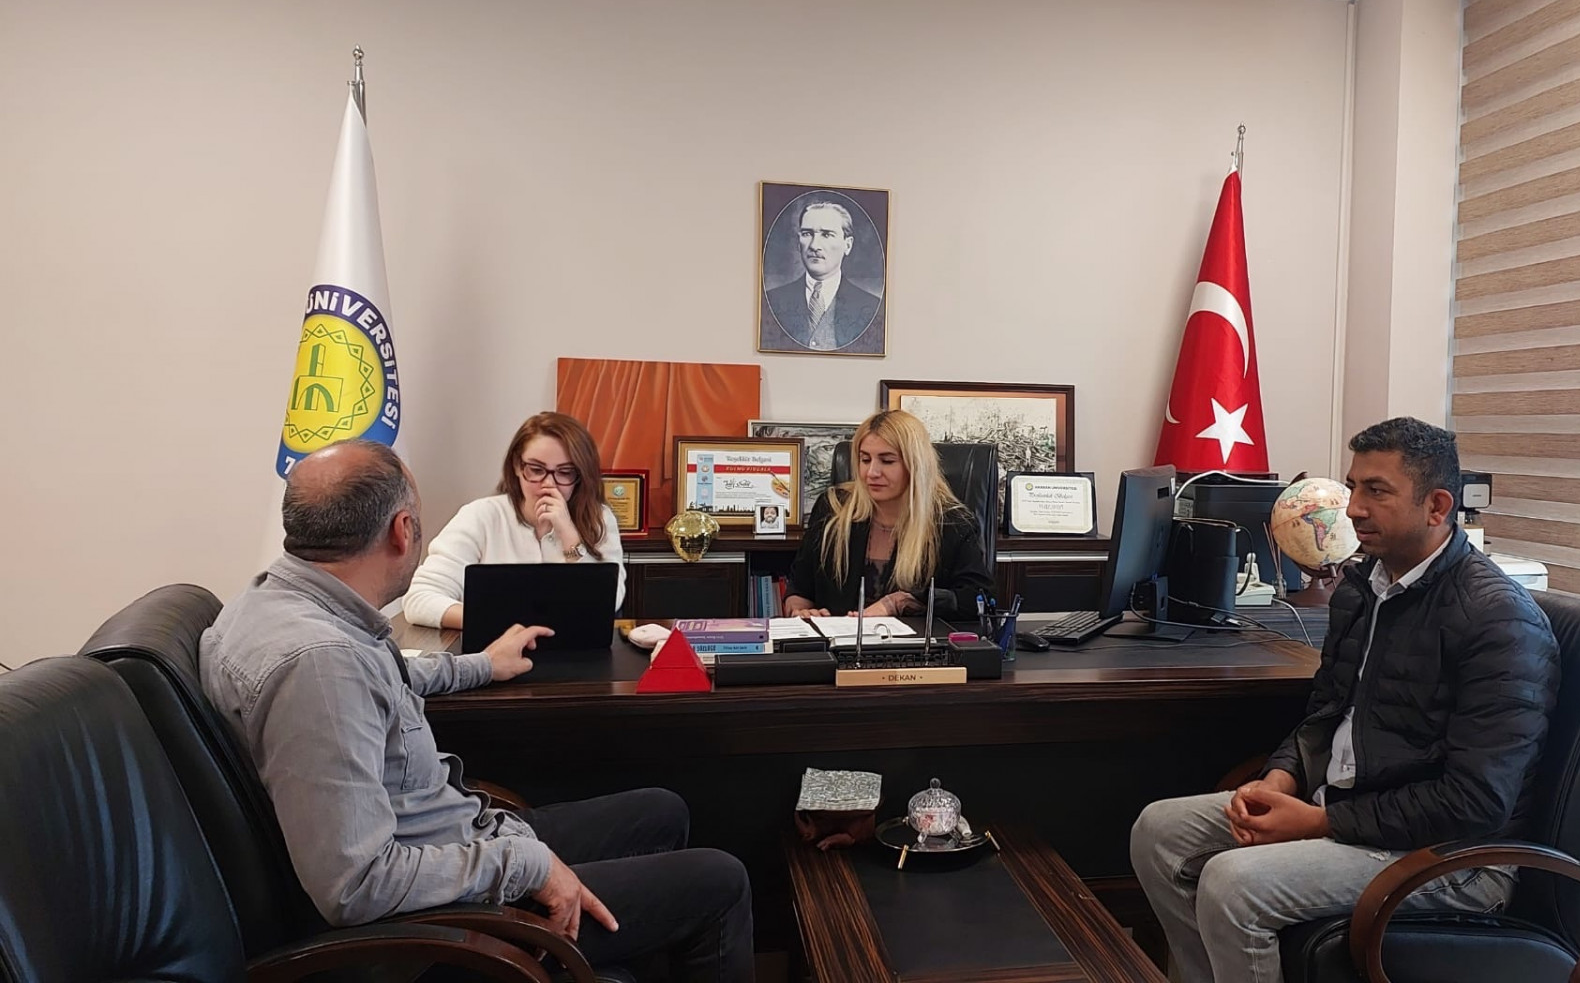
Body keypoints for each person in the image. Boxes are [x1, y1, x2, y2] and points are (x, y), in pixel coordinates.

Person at [201, 439, 753, 979]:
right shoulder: (319, 666)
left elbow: (383, 680)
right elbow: (357, 886)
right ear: (402, 530)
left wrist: (482, 665)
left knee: (660, 811)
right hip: (436, 926)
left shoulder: (278, 605)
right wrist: (527, 864)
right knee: (718, 879)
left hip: (451, 840)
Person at [1129, 417, 1560, 983]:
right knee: (1159, 831)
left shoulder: (1497, 619)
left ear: (1436, 507)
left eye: (1376, 491)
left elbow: (1476, 801)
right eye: (1354, 486)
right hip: (1352, 807)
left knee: (1234, 884)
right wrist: (1281, 778)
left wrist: (1321, 821)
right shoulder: (1362, 589)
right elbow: (1326, 713)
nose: (1353, 508)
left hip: (1451, 855)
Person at [403, 411, 624, 630]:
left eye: (565, 472)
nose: (548, 484)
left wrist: (569, 535)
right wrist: (498, 621)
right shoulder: (481, 515)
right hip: (494, 647)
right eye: (536, 470)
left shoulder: (599, 518)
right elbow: (419, 598)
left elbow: (609, 602)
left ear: (580, 475)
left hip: (576, 647)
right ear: (517, 466)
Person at [783, 410, 993, 619]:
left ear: (915, 465)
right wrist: (800, 612)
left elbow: (979, 600)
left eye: (887, 461)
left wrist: (900, 602)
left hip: (915, 640)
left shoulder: (951, 523)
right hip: (838, 639)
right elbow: (799, 589)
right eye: (865, 460)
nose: (872, 472)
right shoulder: (833, 508)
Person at [761, 199, 883, 354]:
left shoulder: (872, 307)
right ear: (798, 243)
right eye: (807, 234)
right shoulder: (771, 301)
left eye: (826, 234)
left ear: (848, 245)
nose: (814, 245)